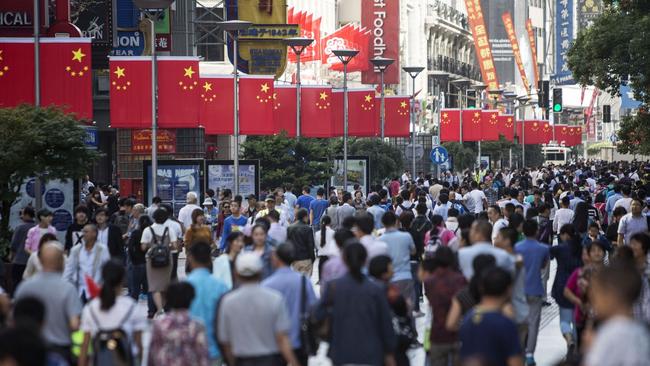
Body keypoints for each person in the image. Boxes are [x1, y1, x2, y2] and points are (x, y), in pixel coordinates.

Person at [313, 243, 397, 366]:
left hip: (341, 352)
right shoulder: (376, 289)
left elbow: (318, 314)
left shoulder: (333, 287)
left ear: (344, 259)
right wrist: (389, 352)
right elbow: (386, 324)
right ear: (365, 261)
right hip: (371, 353)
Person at [217, 252, 300, 366]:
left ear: (236, 274)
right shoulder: (275, 298)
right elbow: (282, 337)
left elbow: (225, 341)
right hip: (270, 360)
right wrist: (294, 362)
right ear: (260, 272)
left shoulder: (227, 302)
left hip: (242, 359)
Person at [14, 243, 82, 363]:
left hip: (27, 348)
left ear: (40, 260)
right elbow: (75, 324)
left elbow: (14, 318)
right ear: (62, 261)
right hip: (59, 349)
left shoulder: (25, 287)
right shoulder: (68, 289)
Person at [78, 260, 147, 366]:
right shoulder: (132, 307)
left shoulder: (91, 308)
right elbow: (138, 345)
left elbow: (85, 346)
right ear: (122, 279)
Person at [584, 263, 650, 365]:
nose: (593, 300)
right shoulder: (640, 330)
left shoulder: (611, 333)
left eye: (597, 293)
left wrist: (590, 348)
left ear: (611, 295)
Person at [262, 243, 317, 365]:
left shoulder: (267, 285)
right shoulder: (304, 281)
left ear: (276, 259)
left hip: (274, 343)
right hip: (299, 339)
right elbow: (313, 307)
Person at [459, 266, 524, 366]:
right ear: (509, 289)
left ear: (481, 287)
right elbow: (515, 362)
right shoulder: (505, 324)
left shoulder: (468, 318)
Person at [148, 282, 210, 366]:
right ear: (191, 299)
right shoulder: (197, 325)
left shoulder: (159, 324)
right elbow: (202, 356)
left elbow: (152, 354)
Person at [423, 247, 467, 366]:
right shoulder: (460, 280)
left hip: (438, 333)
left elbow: (430, 299)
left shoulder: (429, 282)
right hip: (458, 332)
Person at [186, 242, 229, 364]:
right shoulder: (221, 286)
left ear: (190, 258)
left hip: (190, 349)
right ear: (210, 259)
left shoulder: (184, 286)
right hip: (215, 349)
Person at [514, 220, 550, 365]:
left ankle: (519, 350)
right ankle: (530, 354)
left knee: (519, 322)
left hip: (519, 290)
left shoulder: (517, 247)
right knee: (533, 323)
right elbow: (543, 266)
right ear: (536, 231)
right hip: (536, 289)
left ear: (523, 231)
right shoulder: (543, 248)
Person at [549, 224, 583, 351]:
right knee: (576, 319)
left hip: (562, 285)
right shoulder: (581, 248)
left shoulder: (559, 249)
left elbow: (548, 254)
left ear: (565, 235)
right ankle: (576, 346)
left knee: (564, 318)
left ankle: (569, 339)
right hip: (578, 285)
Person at [140, 208, 176, 315]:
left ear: (154, 217)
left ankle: (160, 310)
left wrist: (152, 246)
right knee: (165, 286)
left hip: (152, 261)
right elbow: (174, 246)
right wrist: (165, 246)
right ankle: (164, 308)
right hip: (167, 260)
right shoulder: (169, 230)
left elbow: (143, 247)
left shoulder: (147, 230)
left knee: (154, 287)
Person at [63, 224, 110, 302]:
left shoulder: (102, 249)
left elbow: (108, 269)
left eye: (86, 232)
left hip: (97, 290)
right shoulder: (76, 250)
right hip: (80, 291)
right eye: (83, 232)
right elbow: (69, 270)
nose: (83, 234)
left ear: (94, 233)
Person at [380, 210, 417, 311]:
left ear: (383, 223)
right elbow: (413, 251)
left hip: (389, 279)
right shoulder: (406, 236)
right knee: (409, 308)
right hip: (405, 276)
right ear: (396, 222)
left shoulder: (380, 240)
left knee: (392, 310)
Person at [127, 214, 155, 317]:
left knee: (135, 289)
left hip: (137, 264)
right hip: (149, 263)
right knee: (150, 289)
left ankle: (132, 311)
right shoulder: (151, 233)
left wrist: (134, 261)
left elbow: (130, 248)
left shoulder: (135, 233)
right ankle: (151, 311)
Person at [10, 206, 36, 291]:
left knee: (17, 285)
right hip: (33, 262)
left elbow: (14, 245)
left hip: (19, 262)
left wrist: (11, 257)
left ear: (27, 215)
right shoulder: (37, 228)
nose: (21, 216)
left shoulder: (20, 228)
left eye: (22, 214)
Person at [287, 208, 316, 276]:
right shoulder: (308, 228)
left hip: (294, 259)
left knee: (296, 281)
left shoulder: (290, 228)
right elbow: (311, 245)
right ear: (305, 217)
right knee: (305, 282)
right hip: (305, 258)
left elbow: (288, 243)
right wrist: (312, 258)